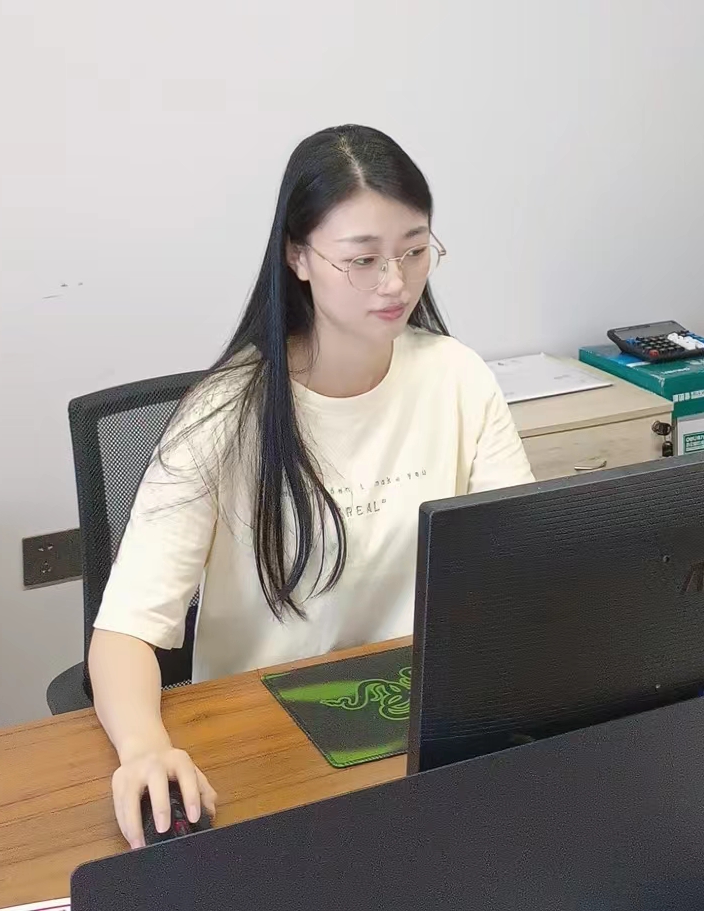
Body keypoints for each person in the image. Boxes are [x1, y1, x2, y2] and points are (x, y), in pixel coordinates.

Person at [89, 124, 534, 846]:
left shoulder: (457, 378)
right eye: (362, 259)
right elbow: (125, 632)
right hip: (263, 752)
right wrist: (144, 749)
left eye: (414, 250)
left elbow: (519, 568)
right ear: (298, 256)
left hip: (420, 738)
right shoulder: (223, 416)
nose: (395, 282)